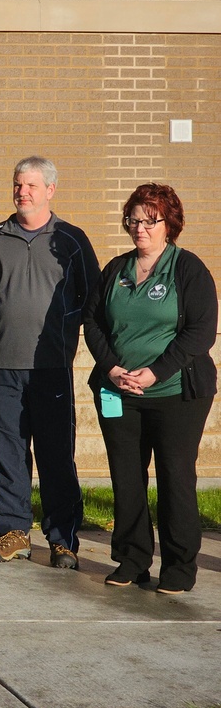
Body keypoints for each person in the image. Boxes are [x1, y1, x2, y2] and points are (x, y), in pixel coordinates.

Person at [83, 184, 216, 594]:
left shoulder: (188, 269)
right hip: (119, 392)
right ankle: (132, 559)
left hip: (177, 394)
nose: (140, 228)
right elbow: (94, 323)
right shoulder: (115, 270)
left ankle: (179, 567)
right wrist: (113, 368)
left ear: (168, 224)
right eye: (134, 220)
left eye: (150, 220)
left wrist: (156, 372)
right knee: (126, 477)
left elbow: (200, 332)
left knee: (175, 477)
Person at [0, 156, 99, 570]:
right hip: (4, 365)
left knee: (56, 452)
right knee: (8, 451)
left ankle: (62, 539)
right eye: (17, 185)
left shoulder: (71, 240)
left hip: (53, 366)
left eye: (30, 185)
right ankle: (13, 533)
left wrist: (60, 335)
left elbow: (88, 298)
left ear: (50, 190)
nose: (22, 192)